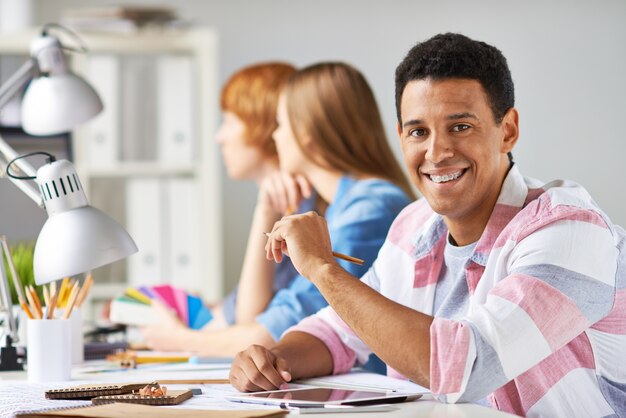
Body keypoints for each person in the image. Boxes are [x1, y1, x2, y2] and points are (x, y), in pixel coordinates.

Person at [229, 33, 626, 418]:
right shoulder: (414, 226)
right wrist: (272, 359)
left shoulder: (569, 231)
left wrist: (323, 269)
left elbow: (466, 368)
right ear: (401, 136)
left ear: (507, 131)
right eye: (419, 131)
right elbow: (336, 333)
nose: (436, 152)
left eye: (460, 126)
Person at [141, 62, 414, 362]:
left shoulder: (368, 209)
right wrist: (265, 210)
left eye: (281, 124)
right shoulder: (341, 207)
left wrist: (179, 339)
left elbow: (270, 331)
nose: (276, 137)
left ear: (306, 130)